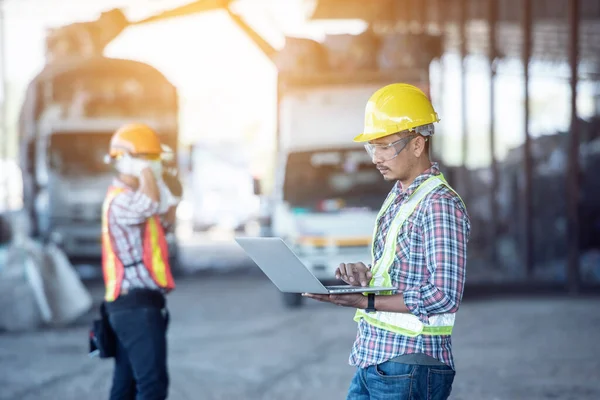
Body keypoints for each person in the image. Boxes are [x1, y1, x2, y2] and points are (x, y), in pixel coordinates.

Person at [304, 83, 470, 400]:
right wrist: (366, 276)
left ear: (418, 144)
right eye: (372, 148)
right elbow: (406, 270)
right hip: (376, 356)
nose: (377, 157)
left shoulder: (439, 204)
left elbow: (444, 295)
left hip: (409, 363)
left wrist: (366, 301)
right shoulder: (401, 197)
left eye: (385, 146)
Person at [102, 123, 179, 400]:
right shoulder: (122, 201)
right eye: (147, 158)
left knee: (126, 386)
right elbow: (148, 205)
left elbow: (159, 224)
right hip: (134, 308)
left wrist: (173, 196)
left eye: (154, 159)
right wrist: (144, 170)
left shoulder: (131, 199)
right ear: (127, 162)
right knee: (152, 385)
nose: (153, 165)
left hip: (135, 305)